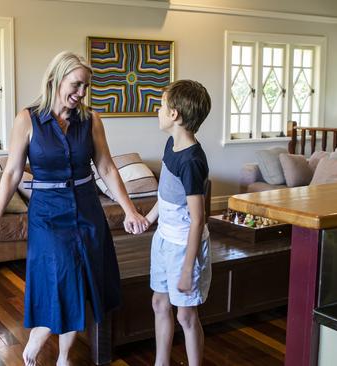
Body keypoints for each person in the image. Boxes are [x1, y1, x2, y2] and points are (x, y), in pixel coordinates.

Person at [0, 51, 149, 366]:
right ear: (56, 79)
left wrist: (130, 210)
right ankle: (39, 337)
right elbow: (12, 173)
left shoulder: (91, 119)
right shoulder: (27, 119)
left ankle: (64, 356)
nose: (81, 93)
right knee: (60, 276)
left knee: (83, 281)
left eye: (86, 87)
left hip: (87, 209)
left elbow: (107, 168)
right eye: (76, 84)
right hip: (47, 214)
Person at [144, 80, 212, 366]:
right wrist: (148, 218)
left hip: (185, 246)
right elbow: (168, 194)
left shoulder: (192, 161)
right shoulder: (171, 144)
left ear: (174, 115)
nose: (158, 111)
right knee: (159, 303)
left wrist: (187, 268)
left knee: (186, 315)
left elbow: (198, 219)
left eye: (161, 105)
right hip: (163, 239)